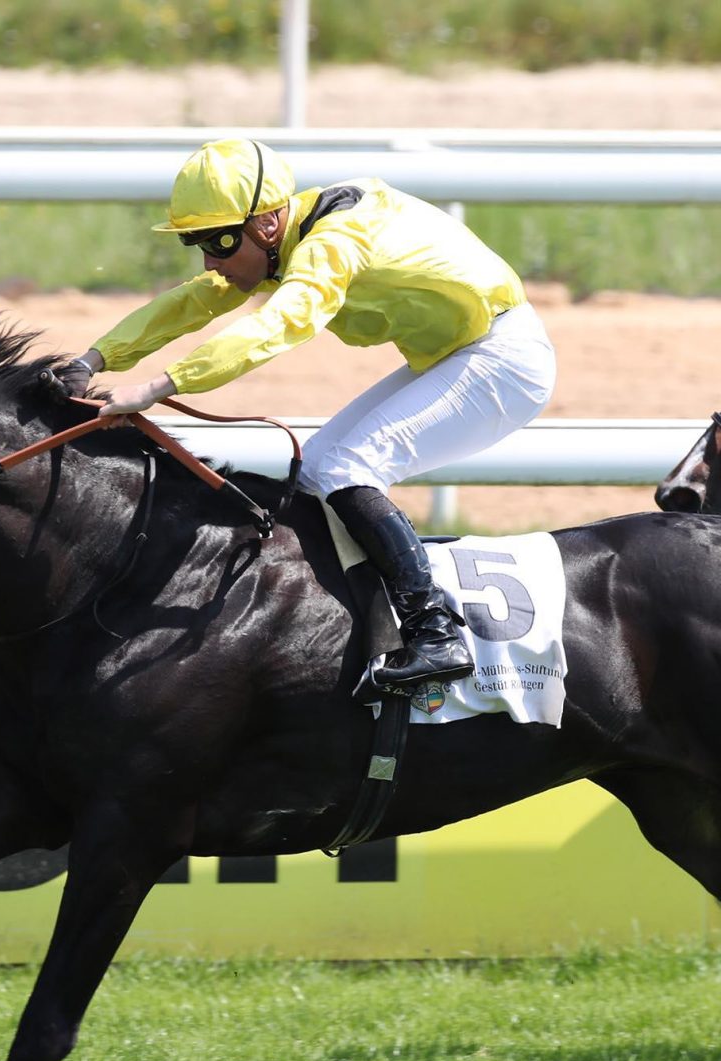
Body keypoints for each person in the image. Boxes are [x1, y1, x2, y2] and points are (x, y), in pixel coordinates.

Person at [44, 138, 557, 690]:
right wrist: (90, 360)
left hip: (503, 359)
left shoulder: (333, 241)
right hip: (460, 354)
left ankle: (435, 633)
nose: (210, 260)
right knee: (315, 472)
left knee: (347, 468)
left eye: (218, 241)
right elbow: (192, 302)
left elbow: (280, 324)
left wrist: (155, 387)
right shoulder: (281, 239)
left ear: (267, 223)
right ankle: (369, 628)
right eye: (197, 243)